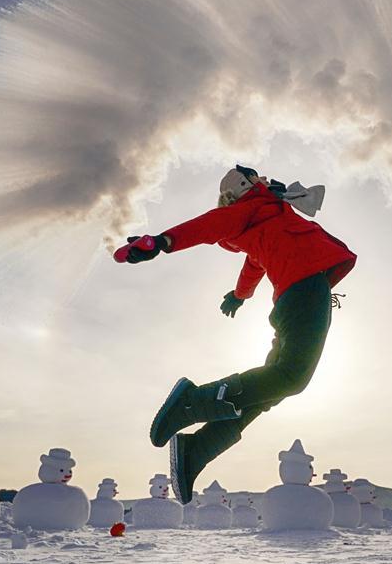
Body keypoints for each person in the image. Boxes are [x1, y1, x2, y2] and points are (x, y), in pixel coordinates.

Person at [119, 165, 356, 503]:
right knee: (292, 377)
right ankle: (192, 402)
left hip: (297, 296)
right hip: (304, 291)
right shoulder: (251, 209)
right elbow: (209, 225)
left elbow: (254, 264)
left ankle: (197, 449)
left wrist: (240, 295)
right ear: (245, 186)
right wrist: (163, 241)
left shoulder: (267, 215)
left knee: (269, 389)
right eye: (255, 175)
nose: (264, 177)